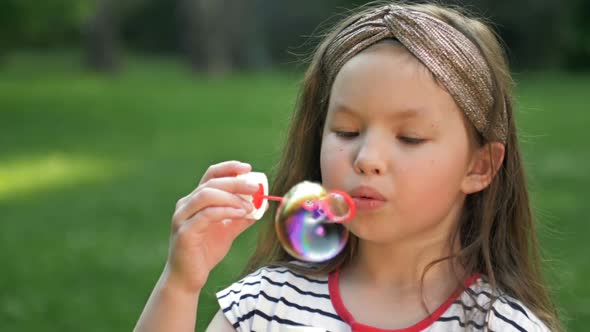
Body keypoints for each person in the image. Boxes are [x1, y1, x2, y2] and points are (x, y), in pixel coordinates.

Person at [134, 2, 562, 331]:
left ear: (480, 166)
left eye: (409, 137)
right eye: (346, 131)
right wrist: (181, 283)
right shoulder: (266, 306)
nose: (367, 159)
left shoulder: (502, 325)